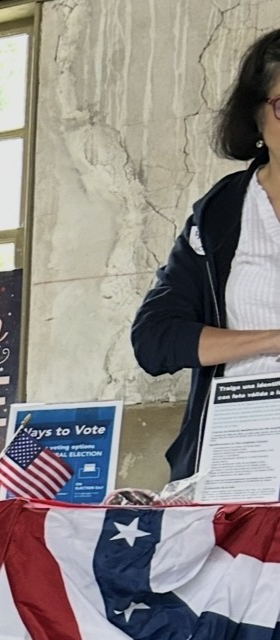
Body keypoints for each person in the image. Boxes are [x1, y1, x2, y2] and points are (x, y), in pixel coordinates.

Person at [132, 29, 280, 482]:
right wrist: (274, 340)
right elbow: (155, 340)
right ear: (256, 118)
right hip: (239, 454)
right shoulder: (220, 214)